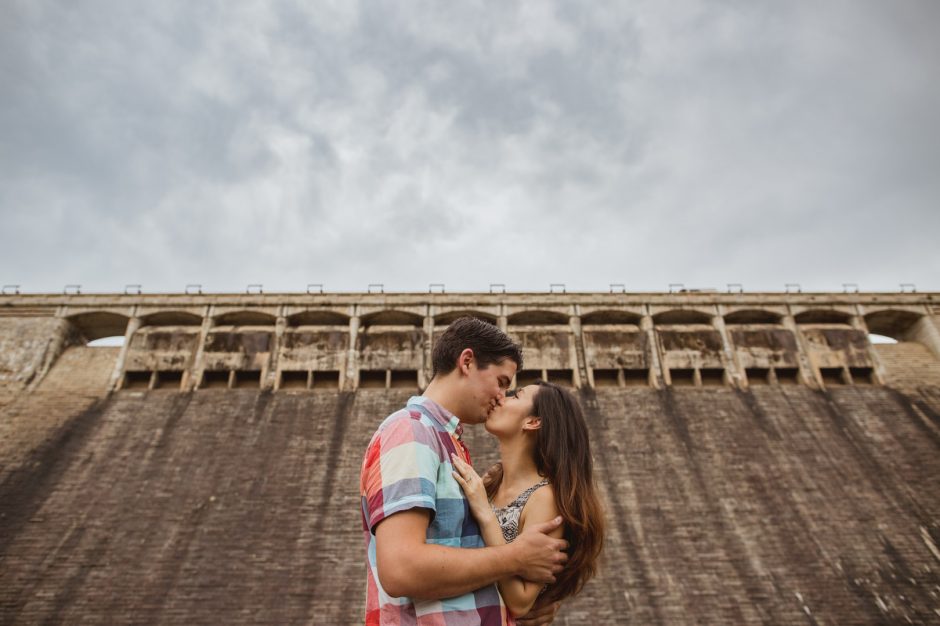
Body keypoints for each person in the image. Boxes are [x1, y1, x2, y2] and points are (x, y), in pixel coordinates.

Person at [360, 317, 568, 625]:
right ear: (467, 361)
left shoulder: (450, 445)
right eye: (502, 382)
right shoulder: (412, 431)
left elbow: (460, 563)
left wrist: (519, 606)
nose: (502, 396)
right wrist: (515, 558)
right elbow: (401, 568)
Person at [450, 381, 605, 618]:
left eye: (515, 396)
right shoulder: (491, 482)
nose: (501, 397)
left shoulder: (545, 498)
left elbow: (520, 602)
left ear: (533, 422)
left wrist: (485, 513)